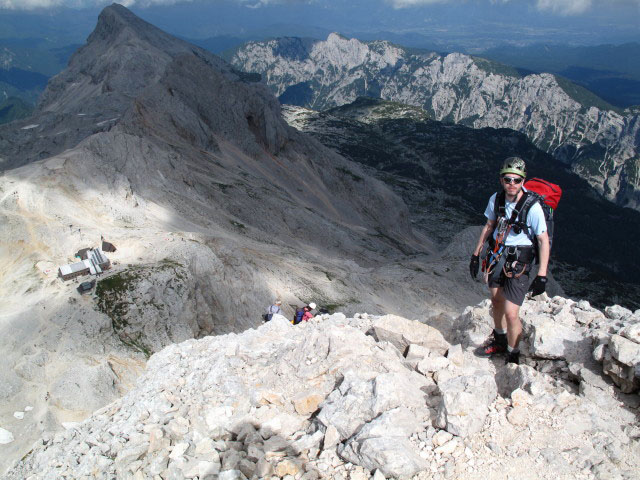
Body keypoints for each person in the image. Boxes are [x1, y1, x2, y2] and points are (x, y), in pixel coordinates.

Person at [469, 157, 550, 365]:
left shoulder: (532, 207)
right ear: (501, 180)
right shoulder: (496, 199)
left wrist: (541, 275)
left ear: (523, 181)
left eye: (516, 180)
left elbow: (543, 240)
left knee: (511, 312)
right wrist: (476, 254)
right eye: (508, 180)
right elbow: (489, 225)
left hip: (519, 262)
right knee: (496, 301)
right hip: (496, 255)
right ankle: (499, 339)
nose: (512, 184)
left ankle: (513, 354)